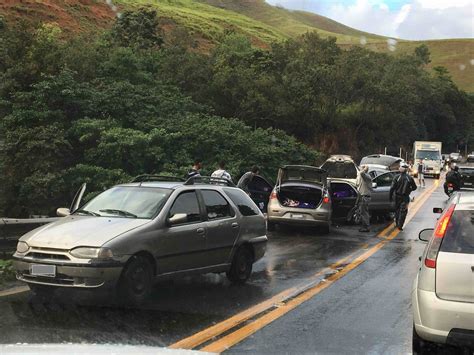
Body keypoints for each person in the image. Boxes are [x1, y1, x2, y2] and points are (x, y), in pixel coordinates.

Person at [390, 163, 417, 231]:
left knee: (397, 210)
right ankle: (400, 225)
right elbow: (415, 187)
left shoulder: (396, 177)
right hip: (405, 197)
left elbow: (392, 188)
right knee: (403, 211)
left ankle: (397, 223)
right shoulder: (409, 178)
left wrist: (390, 197)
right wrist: (409, 190)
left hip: (397, 196)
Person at [357, 165, 373, 233]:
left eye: (361, 167)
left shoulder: (367, 176)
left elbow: (361, 173)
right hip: (362, 196)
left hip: (365, 197)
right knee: (363, 212)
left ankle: (366, 227)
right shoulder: (362, 177)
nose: (360, 169)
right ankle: (364, 226)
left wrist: (365, 168)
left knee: (364, 213)